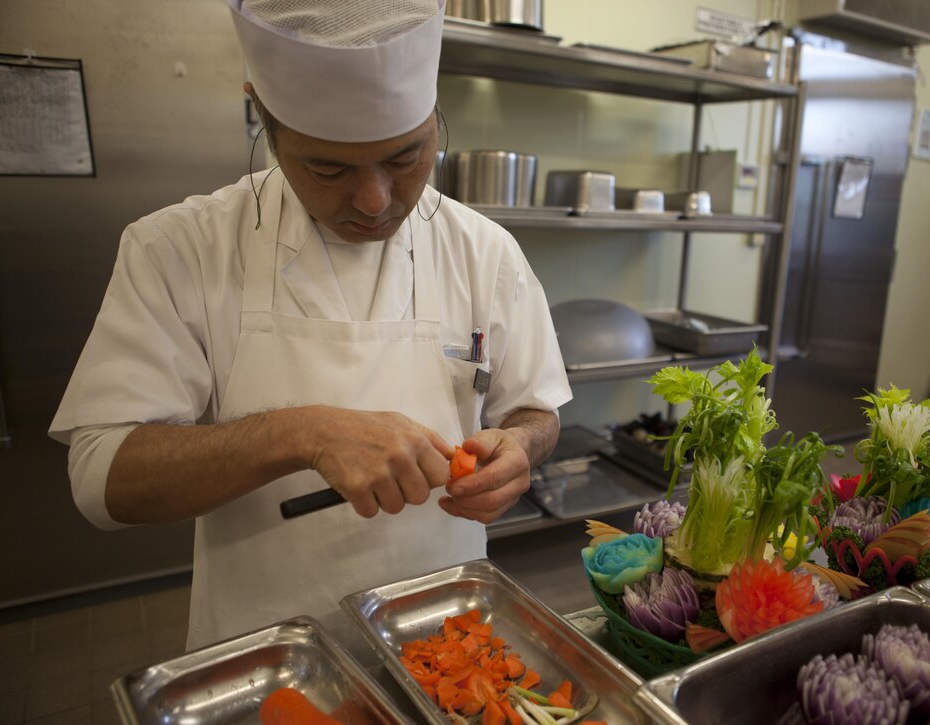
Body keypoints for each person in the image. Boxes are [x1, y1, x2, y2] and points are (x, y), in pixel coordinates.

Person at [48, 0, 571, 651]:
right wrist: (300, 432)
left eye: (407, 157)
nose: (376, 200)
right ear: (262, 118)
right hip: (270, 657)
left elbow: (535, 407)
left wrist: (519, 448)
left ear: (436, 121)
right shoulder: (180, 247)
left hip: (446, 640)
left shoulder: (484, 250)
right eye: (329, 168)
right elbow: (103, 479)